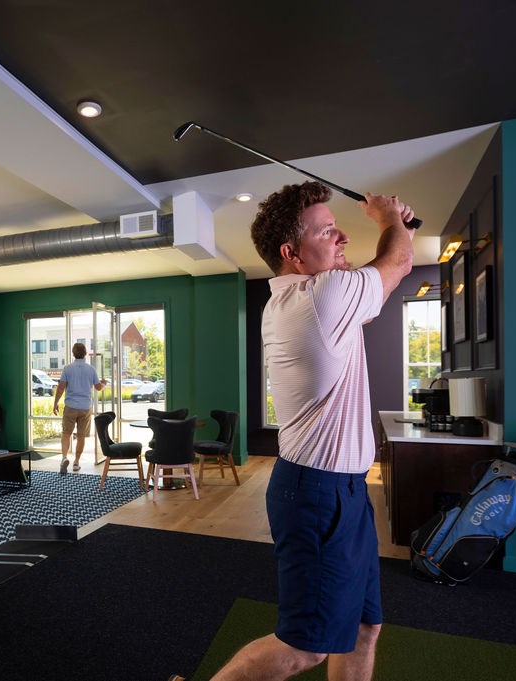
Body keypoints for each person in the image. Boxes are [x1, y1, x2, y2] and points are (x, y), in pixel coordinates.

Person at [174, 182, 414, 681]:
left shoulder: (309, 297)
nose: (343, 236)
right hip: (317, 491)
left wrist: (396, 229)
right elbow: (397, 265)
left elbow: (386, 278)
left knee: (366, 626)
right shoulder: (320, 297)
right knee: (306, 646)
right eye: (328, 231)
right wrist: (389, 219)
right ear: (292, 254)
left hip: (345, 488)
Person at [52, 342, 108, 474]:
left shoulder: (68, 368)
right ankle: (76, 462)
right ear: (85, 353)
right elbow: (98, 387)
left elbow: (61, 387)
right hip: (85, 407)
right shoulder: (91, 369)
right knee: (81, 435)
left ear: (73, 353)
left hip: (71, 406)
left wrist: (55, 403)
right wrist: (104, 383)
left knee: (66, 433)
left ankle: (64, 458)